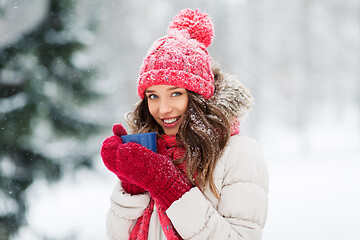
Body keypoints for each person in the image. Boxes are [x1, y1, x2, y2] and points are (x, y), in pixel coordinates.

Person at [101, 8, 269, 240]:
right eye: (153, 96)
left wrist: (166, 184)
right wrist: (133, 184)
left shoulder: (239, 153)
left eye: (176, 94)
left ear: (198, 96)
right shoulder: (152, 150)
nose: (163, 109)